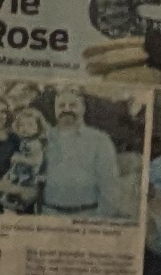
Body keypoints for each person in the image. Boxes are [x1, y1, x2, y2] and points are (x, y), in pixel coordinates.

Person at [38, 86, 120, 221]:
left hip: (87, 216)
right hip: (49, 215)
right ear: (55, 110)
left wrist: (101, 220)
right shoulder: (44, 139)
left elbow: (109, 184)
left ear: (83, 108)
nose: (66, 109)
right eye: (61, 106)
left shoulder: (100, 140)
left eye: (73, 105)